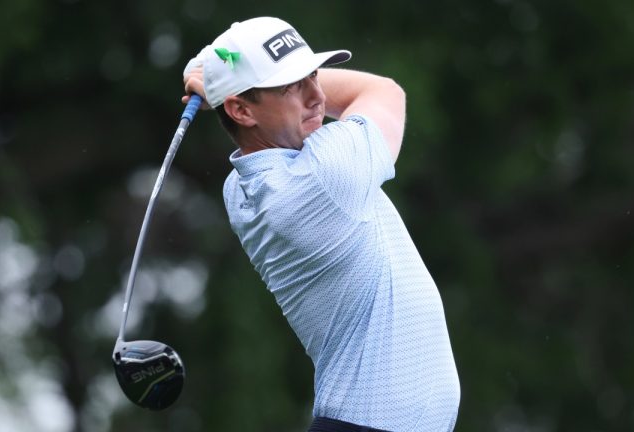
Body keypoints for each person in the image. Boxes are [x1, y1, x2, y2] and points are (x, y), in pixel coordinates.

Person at [182, 17, 460, 432]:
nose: (317, 95)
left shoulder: (240, 187)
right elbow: (385, 91)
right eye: (293, 85)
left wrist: (228, 83)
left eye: (313, 74)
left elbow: (309, 106)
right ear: (241, 110)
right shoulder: (322, 178)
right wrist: (218, 84)